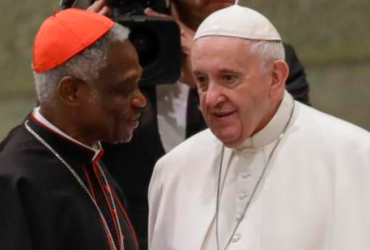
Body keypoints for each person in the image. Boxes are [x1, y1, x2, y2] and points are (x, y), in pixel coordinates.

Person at [148, 5, 370, 250]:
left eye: (228, 78)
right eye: (201, 80)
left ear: (275, 77)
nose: (211, 98)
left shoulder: (356, 156)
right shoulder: (173, 170)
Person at [101, 0, 310, 249]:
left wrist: (208, 78)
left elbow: (292, 149)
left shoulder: (267, 62)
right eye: (203, 78)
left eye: (230, 76)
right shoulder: (122, 56)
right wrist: (81, 61)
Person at [0, 8, 146, 250]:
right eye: (124, 89)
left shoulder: (89, 157)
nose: (140, 101)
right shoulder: (12, 181)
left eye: (138, 84)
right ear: (72, 92)